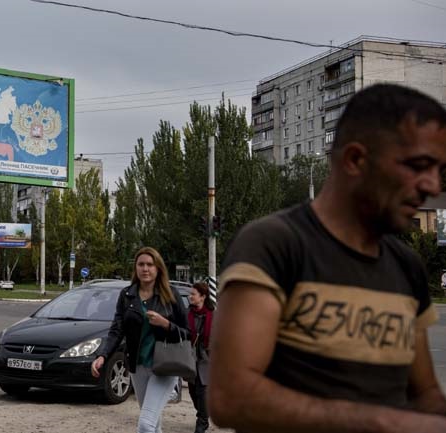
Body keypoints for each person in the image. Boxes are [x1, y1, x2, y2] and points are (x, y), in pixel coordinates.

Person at [210, 83, 446, 433]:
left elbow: (425, 395)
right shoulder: (274, 245)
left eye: (439, 170)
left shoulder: (406, 265)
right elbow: (230, 398)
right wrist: (382, 421)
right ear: (355, 160)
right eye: (418, 166)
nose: (432, 186)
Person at [91, 247, 189, 433]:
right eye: (141, 264)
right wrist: (102, 355)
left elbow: (187, 332)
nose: (145, 269)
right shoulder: (127, 295)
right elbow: (117, 330)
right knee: (153, 424)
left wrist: (166, 324)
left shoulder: (171, 294)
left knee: (145, 425)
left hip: (165, 366)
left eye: (150, 265)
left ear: (158, 268)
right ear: (135, 268)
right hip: (138, 366)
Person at [186, 282, 214, 433]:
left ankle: (202, 421)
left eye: (193, 294)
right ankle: (204, 412)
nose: (190, 296)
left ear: (202, 297)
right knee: (192, 391)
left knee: (202, 390)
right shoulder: (187, 313)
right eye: (190, 294)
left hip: (206, 358)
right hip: (190, 358)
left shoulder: (212, 315)